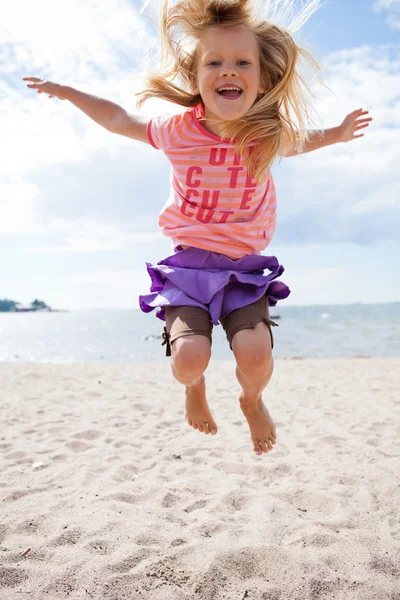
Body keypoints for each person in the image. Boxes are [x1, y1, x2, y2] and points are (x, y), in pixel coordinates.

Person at [23, 0, 372, 457]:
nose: (229, 70)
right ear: (196, 79)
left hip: (243, 269)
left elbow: (302, 141)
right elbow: (117, 119)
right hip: (187, 267)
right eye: (215, 62)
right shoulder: (177, 131)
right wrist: (69, 92)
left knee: (255, 353)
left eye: (242, 62)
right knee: (189, 360)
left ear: (262, 78)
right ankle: (195, 389)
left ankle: (252, 400)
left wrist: (339, 134)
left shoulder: (264, 134)